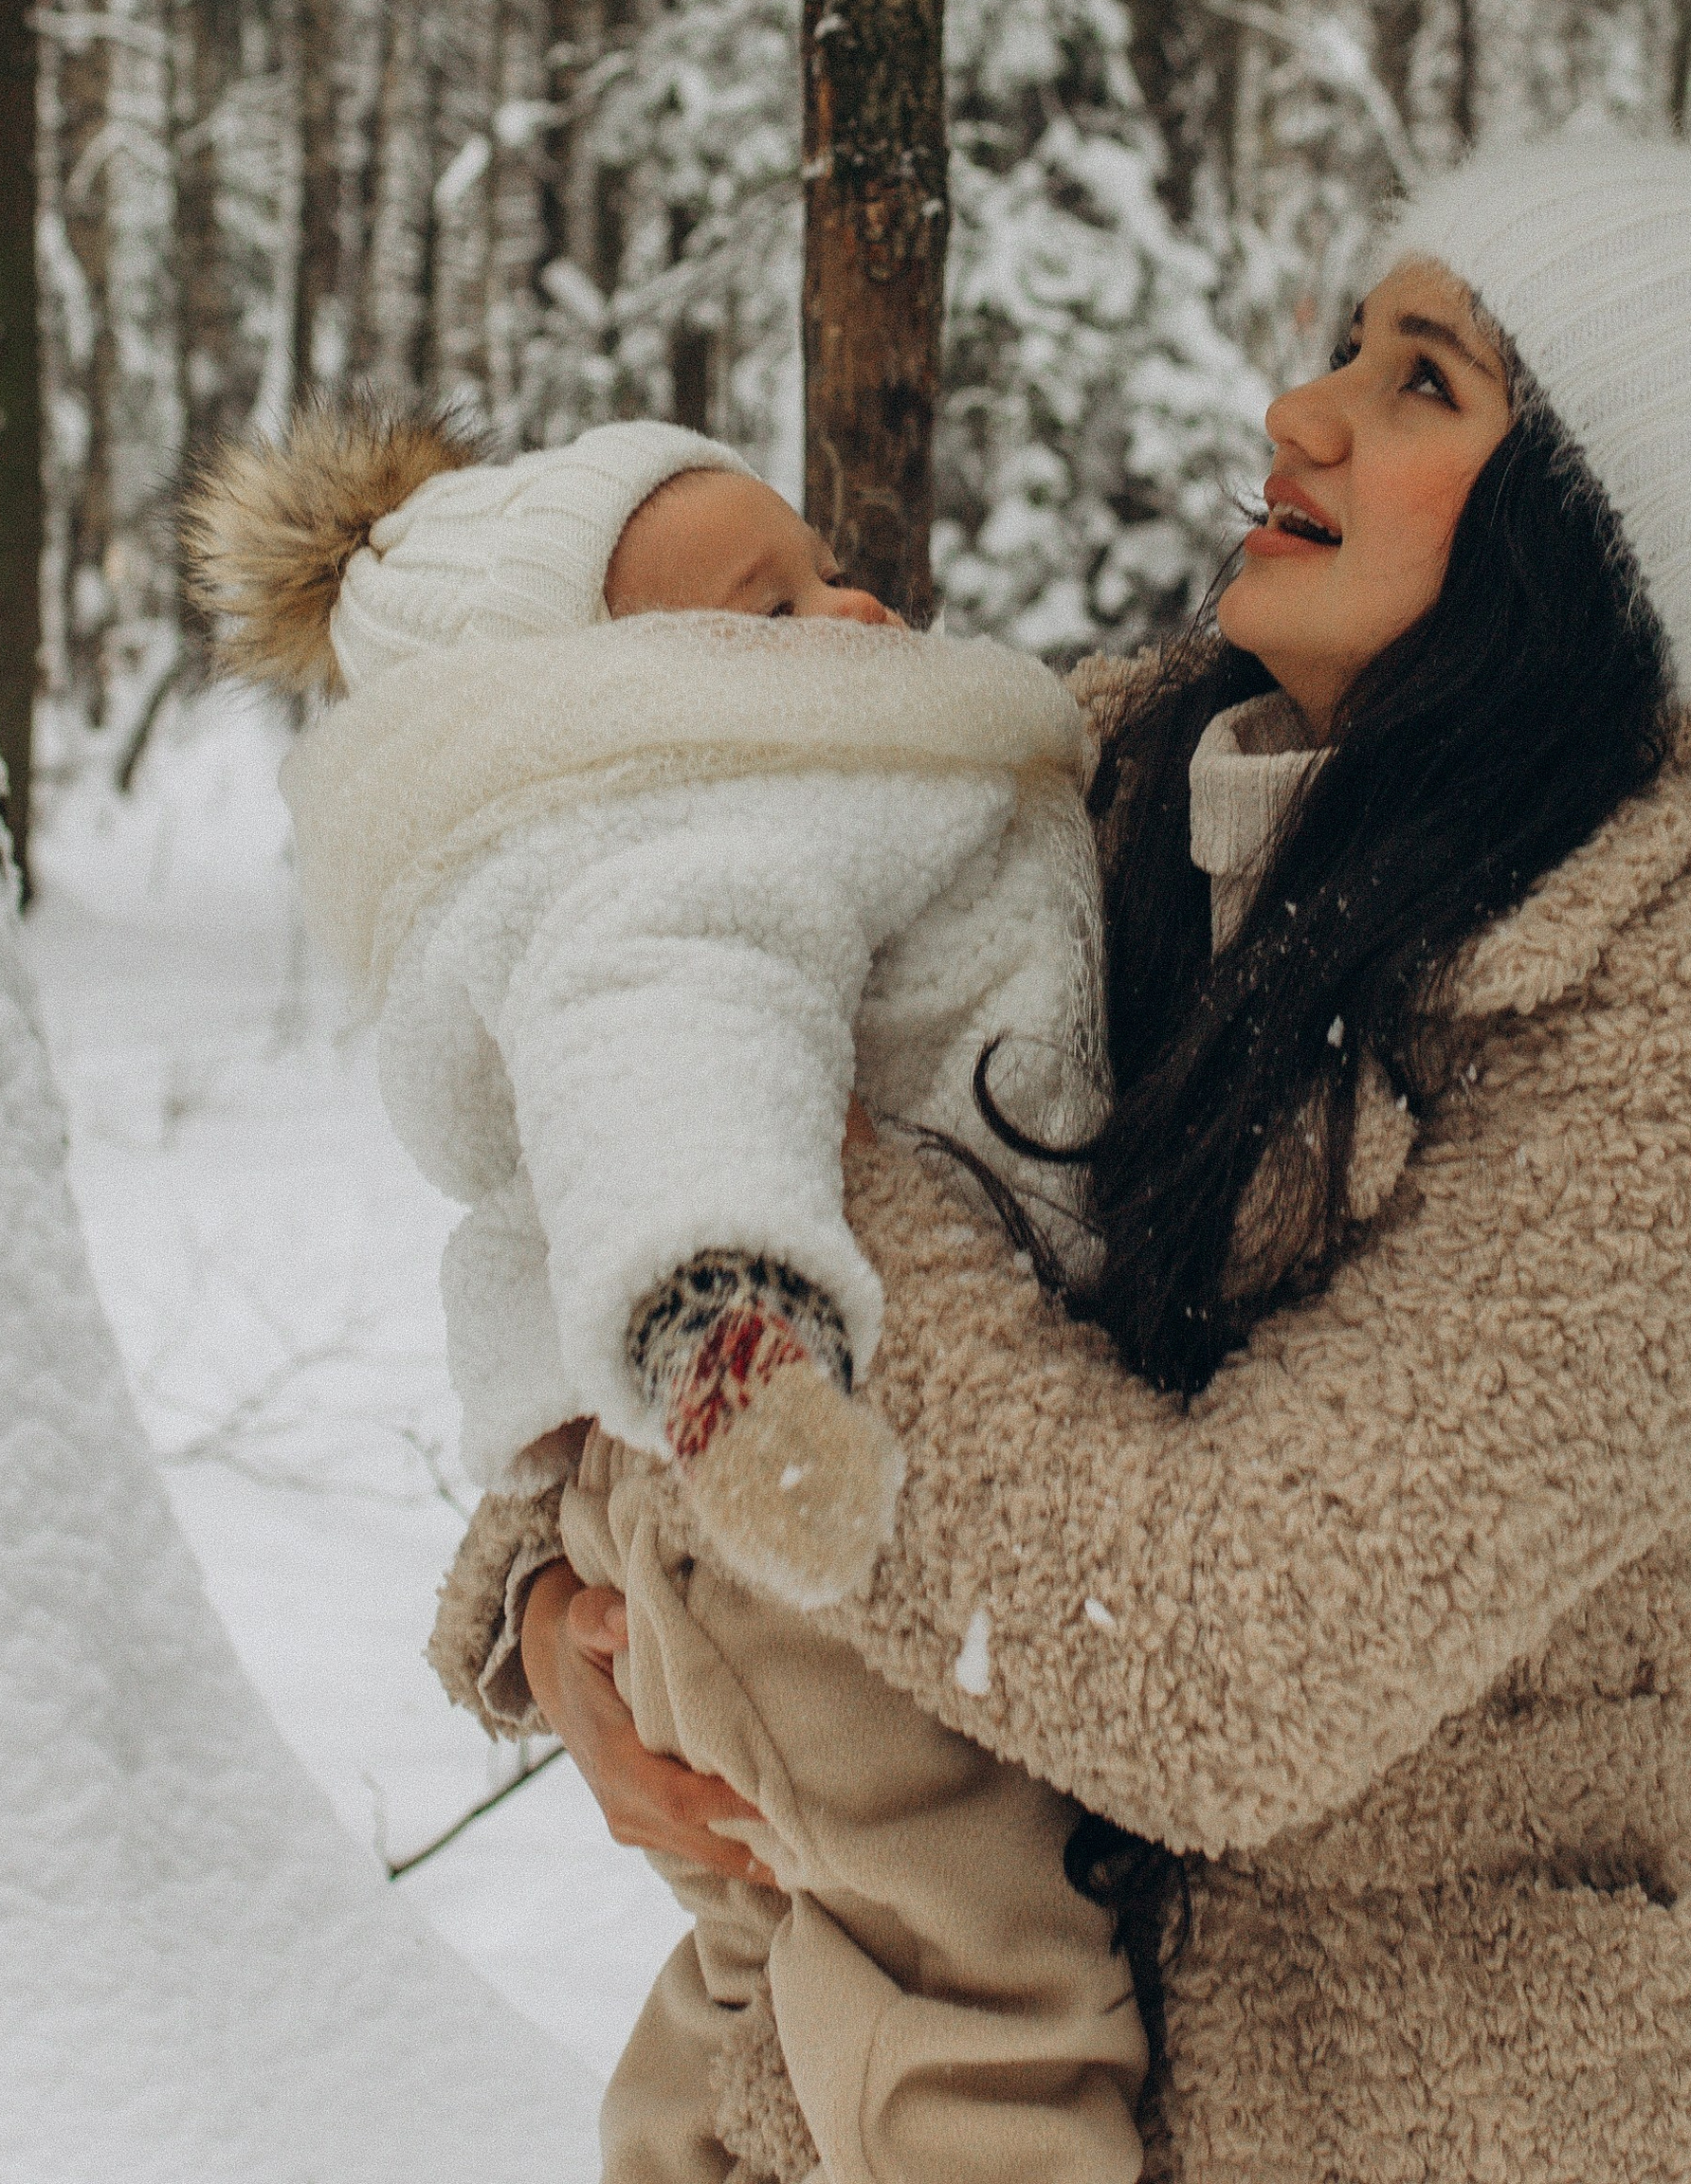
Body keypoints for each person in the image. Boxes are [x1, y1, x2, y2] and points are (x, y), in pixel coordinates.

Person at [445, 52, 1691, 2184]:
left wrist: (818, 1183)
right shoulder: (1104, 781)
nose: (1300, 412)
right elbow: (626, 1063)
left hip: (1422, 2119)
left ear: (1600, 534)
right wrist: (568, 1597)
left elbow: (1218, 1670)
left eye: (1421, 384)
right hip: (861, 2078)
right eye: (1346, 348)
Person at [187, 413, 1147, 2184]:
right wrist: (737, 1358)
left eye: (827, 571)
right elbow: (669, 1051)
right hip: (800, 1482)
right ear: (602, 694)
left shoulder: (702, 799)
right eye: (765, 612)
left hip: (703, 1503)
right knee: (973, 1966)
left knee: (765, 1941)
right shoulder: (707, 833)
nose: (851, 613)